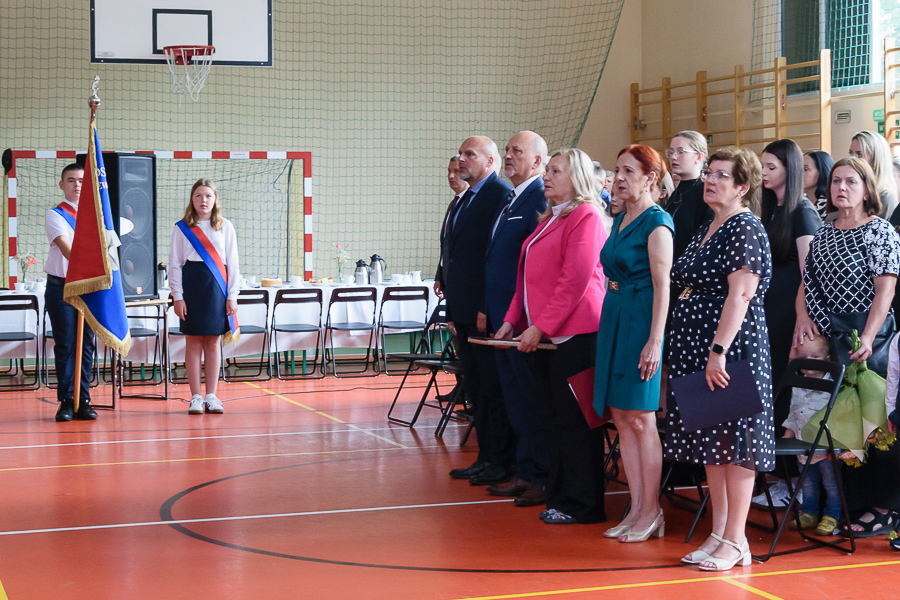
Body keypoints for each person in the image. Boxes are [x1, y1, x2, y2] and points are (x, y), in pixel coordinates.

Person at [664, 146, 774, 571]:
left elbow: (741, 294)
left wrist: (718, 352)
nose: (711, 180)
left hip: (731, 348)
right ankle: (718, 533)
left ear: (743, 186)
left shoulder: (744, 228)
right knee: (715, 442)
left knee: (738, 442)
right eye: (709, 173)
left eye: (721, 175)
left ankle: (737, 539)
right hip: (698, 344)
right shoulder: (710, 226)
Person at [495, 148, 608, 525]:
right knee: (553, 420)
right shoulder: (550, 218)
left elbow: (574, 280)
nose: (547, 176)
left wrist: (539, 325)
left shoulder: (586, 216)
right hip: (547, 334)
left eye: (555, 170)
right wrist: (513, 319)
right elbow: (526, 276)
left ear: (575, 176)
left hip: (575, 334)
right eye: (548, 170)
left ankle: (583, 503)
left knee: (575, 423)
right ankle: (560, 495)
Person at [797, 157, 900, 536]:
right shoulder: (823, 233)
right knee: (839, 429)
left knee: (874, 426)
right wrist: (804, 319)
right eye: (836, 181)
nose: (841, 188)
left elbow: (885, 290)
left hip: (867, 338)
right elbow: (806, 286)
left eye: (851, 181)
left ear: (866, 187)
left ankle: (883, 507)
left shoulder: (880, 231)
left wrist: (870, 338)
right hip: (830, 341)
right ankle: (846, 504)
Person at [593, 145, 674, 542]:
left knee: (642, 419)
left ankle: (652, 511)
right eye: (617, 169)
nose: (618, 178)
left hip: (642, 319)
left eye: (628, 171)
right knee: (622, 419)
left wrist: (654, 341)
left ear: (650, 178)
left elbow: (664, 286)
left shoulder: (658, 223)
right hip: (615, 315)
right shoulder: (621, 218)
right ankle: (636, 507)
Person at [481, 131, 550, 506]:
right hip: (504, 317)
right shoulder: (512, 198)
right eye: (506, 150)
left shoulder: (539, 198)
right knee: (514, 398)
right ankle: (525, 469)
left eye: (516, 151)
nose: (508, 156)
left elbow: (531, 268)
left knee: (529, 398)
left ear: (537, 161)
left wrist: (520, 315)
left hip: (523, 320)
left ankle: (539, 473)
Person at [442, 136, 515, 485]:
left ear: (490, 160)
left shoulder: (498, 194)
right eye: (460, 154)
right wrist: (452, 310)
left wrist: (486, 306)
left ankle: (499, 459)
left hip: (484, 310)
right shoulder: (464, 200)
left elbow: (494, 259)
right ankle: (485, 456)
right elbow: (453, 257)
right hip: (464, 309)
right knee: (475, 387)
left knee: (492, 387)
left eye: (469, 154)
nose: (461, 160)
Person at [169, 179, 241, 415]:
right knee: (192, 341)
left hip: (216, 287)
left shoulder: (225, 226)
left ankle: (212, 395)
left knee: (212, 341)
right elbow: (175, 264)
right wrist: (177, 296)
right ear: (192, 199)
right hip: (192, 284)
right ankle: (196, 397)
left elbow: (233, 264)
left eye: (208, 196)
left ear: (215, 199)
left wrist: (232, 295)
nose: (203, 200)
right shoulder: (182, 228)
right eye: (198, 195)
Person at [44, 163, 97, 422]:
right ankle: (66, 400)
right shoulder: (55, 214)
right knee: (66, 343)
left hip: (90, 287)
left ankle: (83, 398)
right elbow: (69, 251)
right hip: (62, 286)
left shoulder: (98, 216)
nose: (77, 185)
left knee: (86, 343)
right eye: (71, 180)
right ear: (61, 185)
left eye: (81, 180)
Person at [781, 333, 841, 536]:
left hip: (824, 446)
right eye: (804, 356)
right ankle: (809, 512)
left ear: (827, 358)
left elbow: (839, 418)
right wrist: (788, 433)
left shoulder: (832, 384)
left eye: (815, 356)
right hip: (802, 443)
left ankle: (832, 515)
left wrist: (838, 445)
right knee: (807, 481)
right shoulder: (799, 382)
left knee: (831, 484)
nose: (809, 361)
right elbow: (793, 410)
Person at [663, 130, 712, 261]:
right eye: (671, 152)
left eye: (681, 152)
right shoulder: (677, 192)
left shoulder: (705, 193)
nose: (673, 157)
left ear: (699, 157)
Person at [434, 155, 469, 300]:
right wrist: (439, 276)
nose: (451, 176)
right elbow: (446, 245)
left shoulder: (470, 204)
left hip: (464, 284)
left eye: (456, 171)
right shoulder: (454, 204)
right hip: (448, 281)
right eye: (449, 171)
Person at [850, 130, 899, 220]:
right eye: (851, 153)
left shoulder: (885, 196)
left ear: (875, 159)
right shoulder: (852, 190)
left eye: (859, 155)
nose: (852, 159)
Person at [803, 150, 834, 222]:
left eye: (805, 169)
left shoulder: (829, 205)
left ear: (822, 172)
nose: (798, 173)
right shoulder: (801, 201)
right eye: (798, 169)